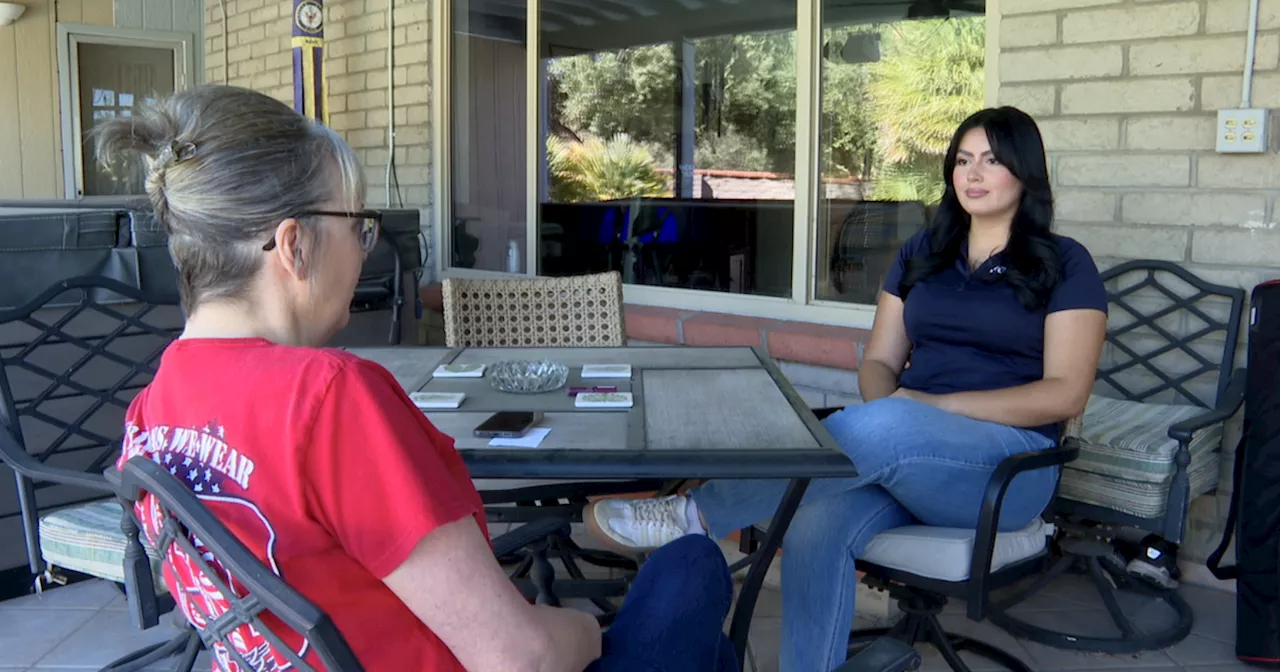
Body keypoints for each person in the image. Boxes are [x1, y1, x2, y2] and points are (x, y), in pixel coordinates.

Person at [105, 84, 738, 672]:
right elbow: (518, 659)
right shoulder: (328, 398)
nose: (364, 247)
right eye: (357, 226)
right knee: (692, 567)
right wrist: (586, 631)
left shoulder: (150, 415)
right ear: (294, 246)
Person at [585, 106, 1110, 672]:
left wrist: (924, 410)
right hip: (908, 452)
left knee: (887, 423)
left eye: (991, 160)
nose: (973, 174)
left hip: (1005, 468)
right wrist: (895, 416)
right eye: (962, 160)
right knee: (816, 521)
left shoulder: (1066, 264)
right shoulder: (922, 255)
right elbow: (880, 361)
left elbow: (1065, 394)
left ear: (1025, 173)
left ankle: (696, 514)